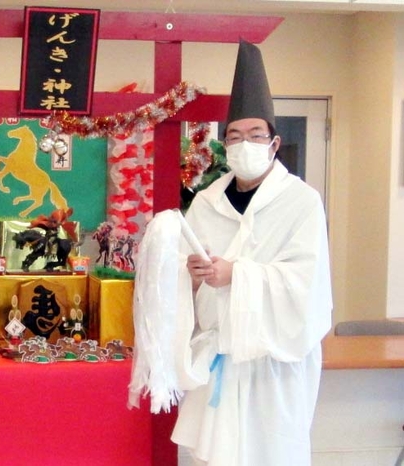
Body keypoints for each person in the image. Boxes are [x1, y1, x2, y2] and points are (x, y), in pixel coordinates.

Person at [169, 40, 333, 465]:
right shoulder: (206, 204)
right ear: (225, 144)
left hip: (272, 366)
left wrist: (236, 275)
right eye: (235, 136)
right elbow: (183, 277)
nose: (245, 144)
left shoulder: (301, 201)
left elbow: (307, 284)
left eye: (255, 135)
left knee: (270, 455)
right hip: (217, 358)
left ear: (274, 143)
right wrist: (191, 275)